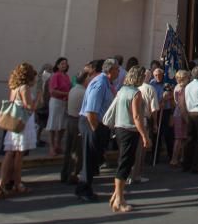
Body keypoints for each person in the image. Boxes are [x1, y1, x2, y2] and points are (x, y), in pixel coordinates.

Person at [110, 65, 151, 213]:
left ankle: (116, 195)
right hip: (129, 130)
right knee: (125, 164)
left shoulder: (122, 90)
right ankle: (119, 200)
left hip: (119, 129)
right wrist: (144, 136)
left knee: (124, 162)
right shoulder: (135, 93)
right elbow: (137, 117)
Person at [76, 58, 118, 202]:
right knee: (90, 157)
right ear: (110, 70)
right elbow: (91, 111)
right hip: (92, 123)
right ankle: (84, 189)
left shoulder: (107, 83)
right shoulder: (100, 83)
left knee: (93, 157)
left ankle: (83, 186)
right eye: (117, 69)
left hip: (99, 124)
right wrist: (95, 130)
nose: (119, 72)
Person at [0, 62, 38, 199]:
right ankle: (17, 182)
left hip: (14, 123)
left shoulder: (14, 87)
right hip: (23, 124)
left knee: (9, 153)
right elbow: (29, 107)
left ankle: (2, 184)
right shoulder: (24, 88)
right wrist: (38, 97)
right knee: (19, 155)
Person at [61, 69, 89, 185]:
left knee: (69, 148)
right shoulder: (84, 92)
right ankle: (73, 174)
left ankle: (65, 173)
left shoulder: (72, 90)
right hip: (78, 121)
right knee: (77, 150)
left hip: (70, 119)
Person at [45, 57, 70, 157]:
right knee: (53, 124)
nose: (64, 65)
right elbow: (52, 91)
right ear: (58, 65)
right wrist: (66, 93)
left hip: (64, 102)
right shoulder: (55, 76)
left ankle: (58, 145)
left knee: (62, 124)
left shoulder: (66, 76)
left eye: (65, 64)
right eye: (62, 64)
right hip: (56, 101)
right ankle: (51, 147)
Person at [170, 70, 190, 167]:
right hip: (182, 114)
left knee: (182, 137)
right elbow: (182, 105)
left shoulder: (177, 87)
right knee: (179, 138)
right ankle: (175, 159)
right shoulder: (182, 89)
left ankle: (182, 157)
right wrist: (186, 118)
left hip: (177, 113)